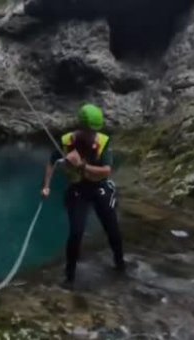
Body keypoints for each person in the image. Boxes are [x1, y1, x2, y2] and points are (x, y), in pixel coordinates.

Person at [41, 104, 126, 290]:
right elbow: (52, 161)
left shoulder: (103, 142)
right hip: (78, 189)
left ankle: (120, 263)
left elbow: (105, 171)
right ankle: (69, 276)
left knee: (112, 228)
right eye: (89, 131)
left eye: (95, 131)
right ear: (81, 128)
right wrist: (46, 186)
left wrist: (81, 167)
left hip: (99, 187)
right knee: (76, 232)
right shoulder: (66, 141)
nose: (93, 135)